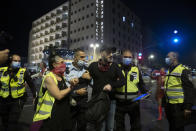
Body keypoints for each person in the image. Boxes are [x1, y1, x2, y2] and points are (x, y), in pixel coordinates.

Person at [87, 47, 126, 131]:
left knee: (110, 126)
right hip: (97, 100)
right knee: (100, 125)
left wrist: (111, 85)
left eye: (111, 54)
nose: (111, 56)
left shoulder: (115, 66)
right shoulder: (93, 65)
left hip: (111, 100)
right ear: (102, 54)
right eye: (109, 54)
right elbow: (85, 78)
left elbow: (123, 81)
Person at [31, 55, 73, 131]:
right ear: (54, 64)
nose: (64, 64)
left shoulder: (61, 76)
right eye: (62, 62)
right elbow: (59, 95)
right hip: (51, 114)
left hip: (63, 112)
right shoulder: (49, 78)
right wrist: (71, 87)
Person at [0, 54, 36, 131]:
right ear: (10, 61)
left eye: (19, 61)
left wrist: (34, 96)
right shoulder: (2, 70)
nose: (18, 62)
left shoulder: (23, 71)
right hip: (3, 100)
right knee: (4, 121)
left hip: (18, 100)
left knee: (12, 122)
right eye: (15, 61)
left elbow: (31, 84)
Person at [114, 50, 147, 131]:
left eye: (129, 57)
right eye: (125, 57)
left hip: (134, 103)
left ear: (132, 58)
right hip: (119, 104)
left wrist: (145, 92)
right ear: (122, 57)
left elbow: (141, 83)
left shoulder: (136, 69)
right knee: (119, 127)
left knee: (136, 126)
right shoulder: (116, 68)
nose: (127, 59)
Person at [164, 52, 194, 131]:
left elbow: (190, 89)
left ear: (174, 58)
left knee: (178, 127)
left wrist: (188, 107)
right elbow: (168, 87)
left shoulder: (183, 70)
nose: (166, 59)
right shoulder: (169, 70)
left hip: (178, 106)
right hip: (169, 105)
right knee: (171, 126)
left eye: (168, 57)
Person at [65, 48, 90, 131]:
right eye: (82, 57)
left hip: (83, 103)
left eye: (85, 57)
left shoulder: (87, 70)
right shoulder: (67, 71)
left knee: (82, 126)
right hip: (71, 103)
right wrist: (76, 92)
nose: (84, 59)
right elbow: (65, 88)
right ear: (75, 58)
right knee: (69, 126)